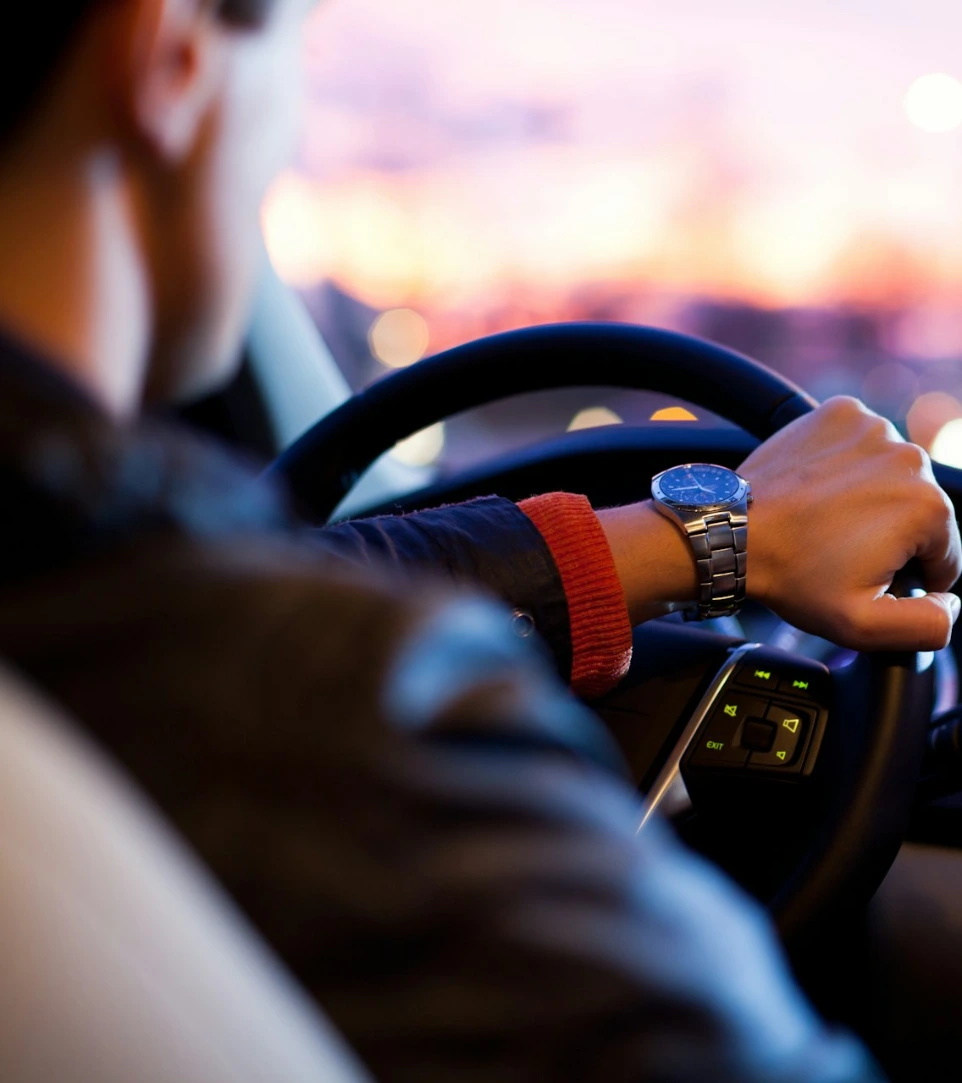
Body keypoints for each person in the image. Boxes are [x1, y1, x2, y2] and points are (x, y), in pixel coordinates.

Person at [0, 1, 957, 1080]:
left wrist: (705, 540)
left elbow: (279, 573)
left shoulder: (87, 596)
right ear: (171, 57)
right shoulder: (337, 716)